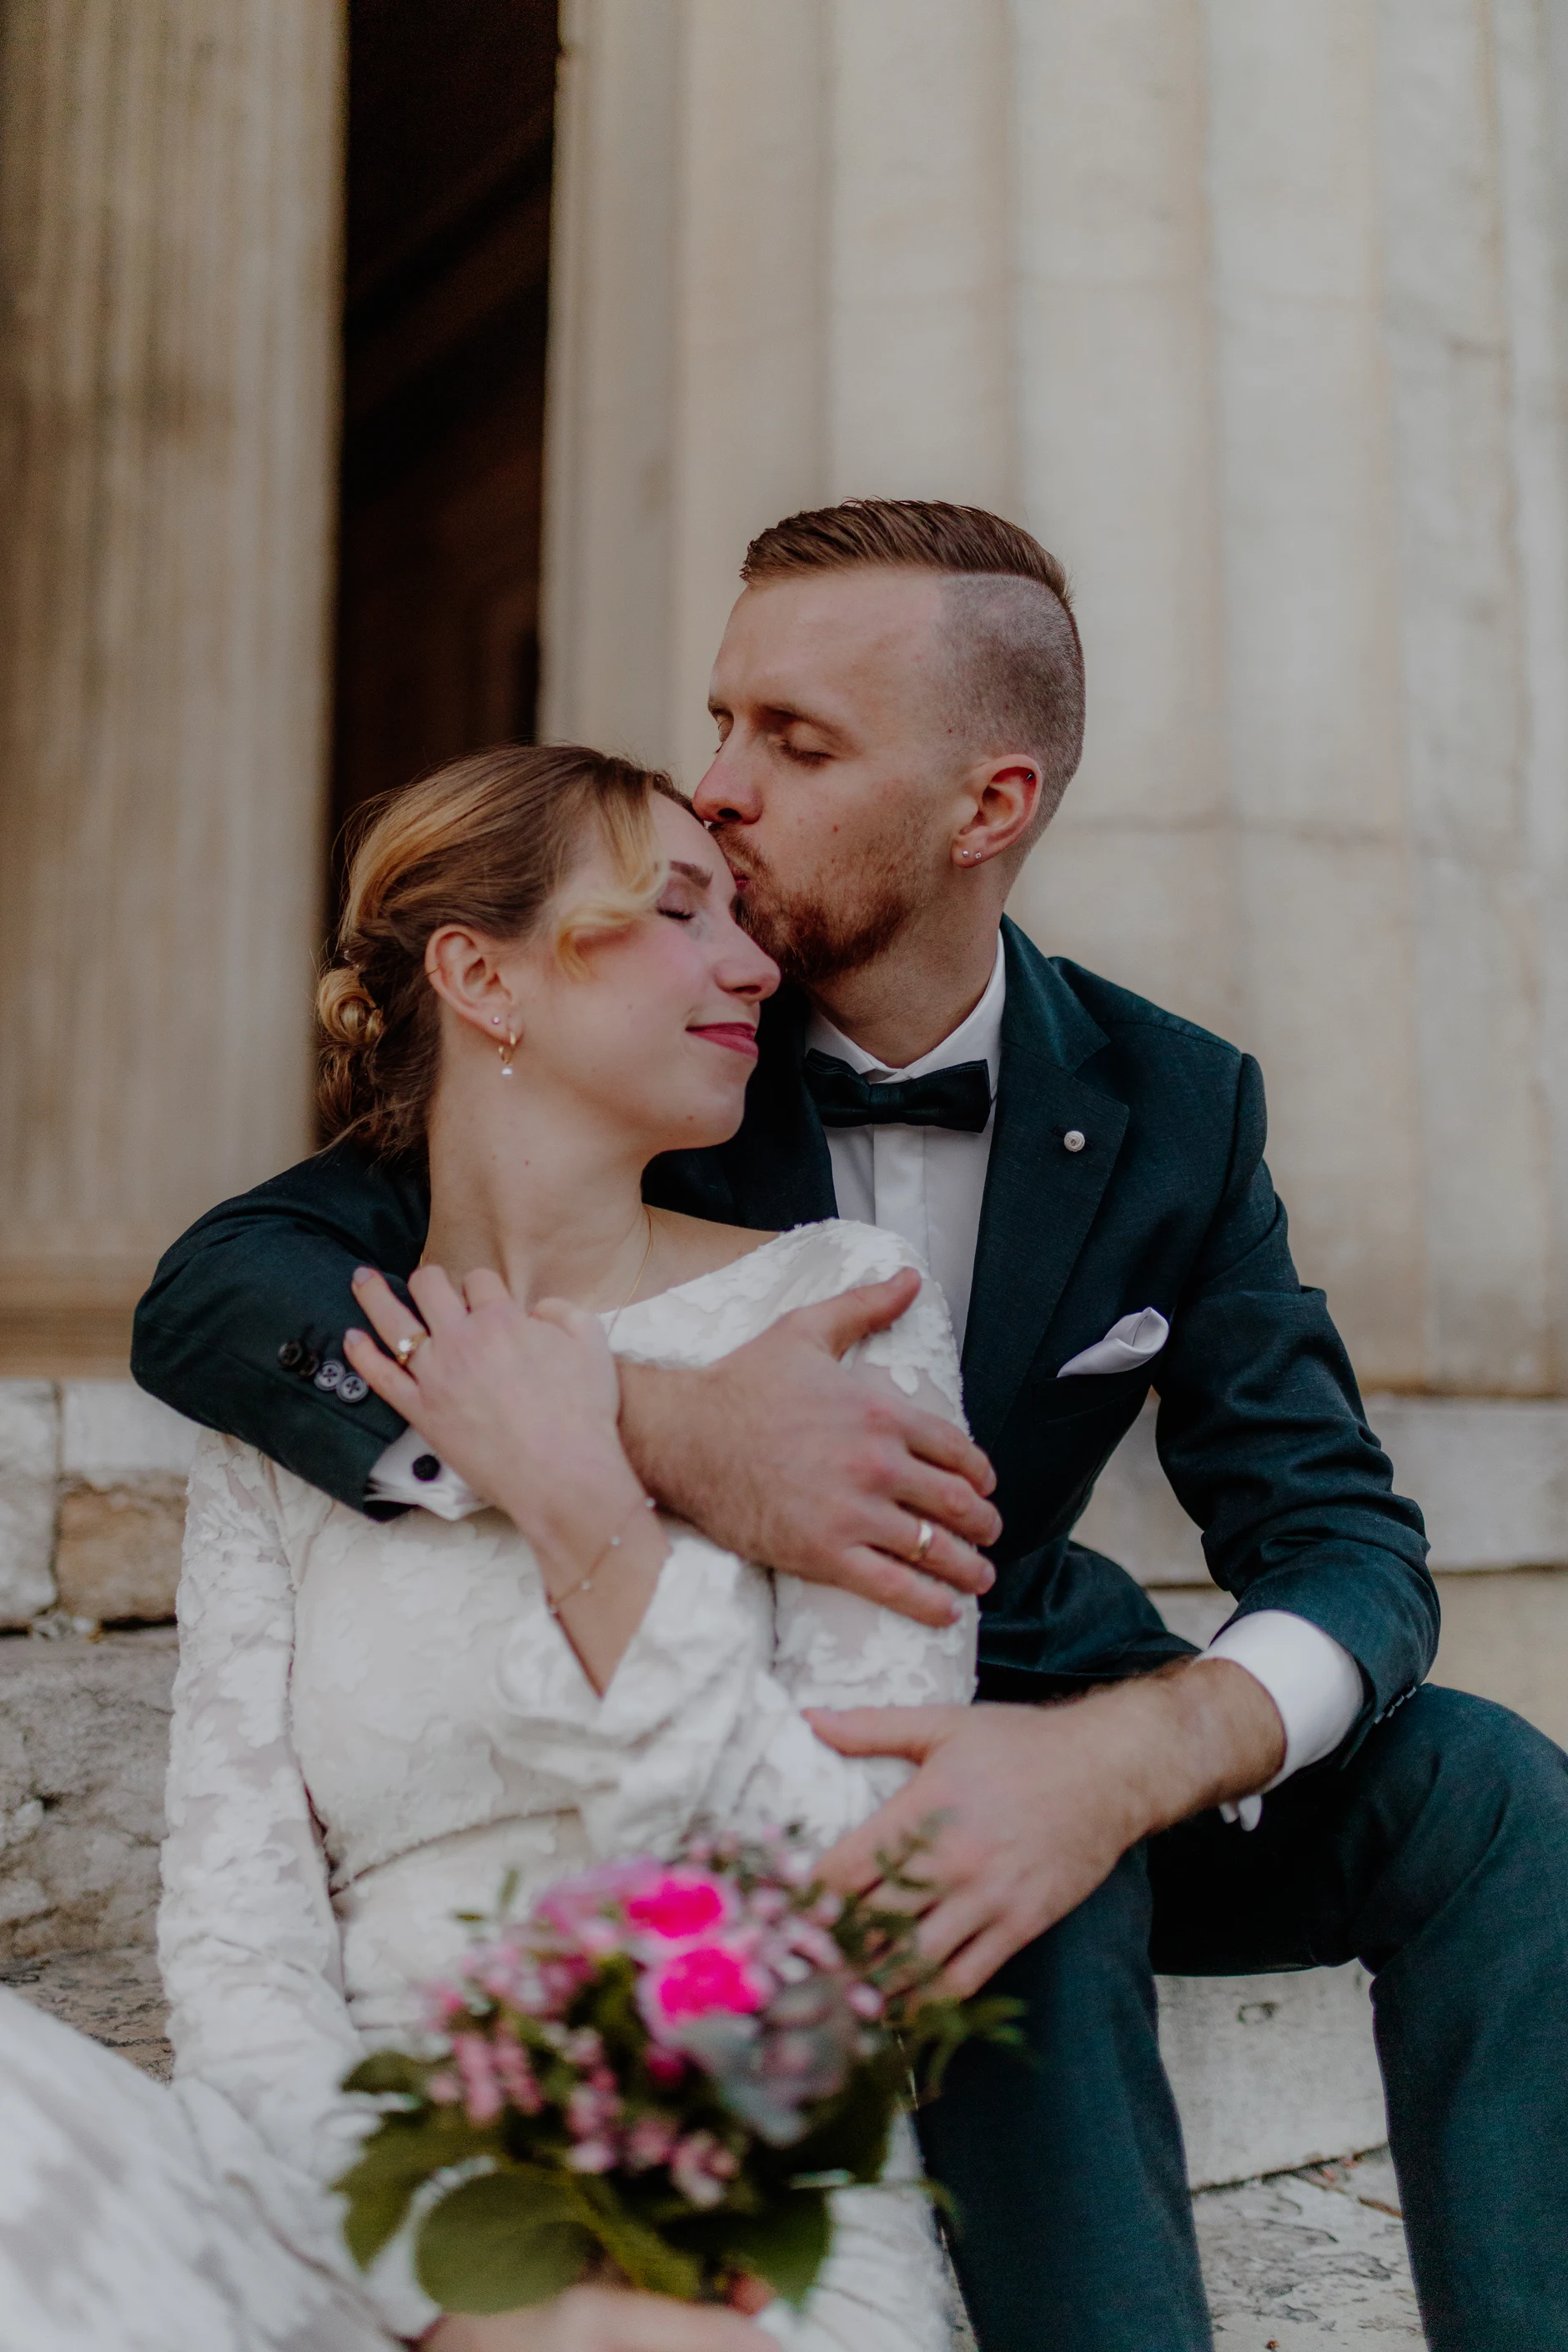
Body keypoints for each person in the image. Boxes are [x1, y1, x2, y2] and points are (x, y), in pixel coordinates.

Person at [133, 501, 1568, 2352]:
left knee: (1490, 1794)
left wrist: (1142, 1751)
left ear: (987, 807)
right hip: (800, 1737)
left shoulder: (1174, 1101)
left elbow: (1342, 1539)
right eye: (722, 721)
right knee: (997, 1844)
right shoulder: (649, 1050)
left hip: (1029, 1689)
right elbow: (220, 1289)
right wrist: (656, 1422)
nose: (718, 787)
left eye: (795, 744)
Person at [0, 747, 988, 2352]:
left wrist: (585, 1495)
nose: (754, 964)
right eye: (680, 910)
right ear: (482, 978)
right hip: (371, 2221)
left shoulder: (839, 1307)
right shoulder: (307, 1398)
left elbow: (854, 1889)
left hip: (741, 2221)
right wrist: (457, 2289)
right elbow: (240, 1957)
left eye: (739, 920)